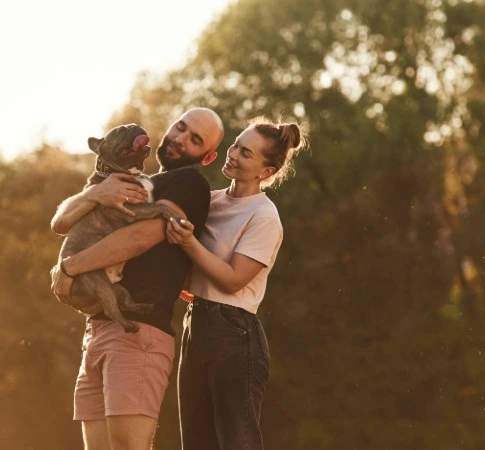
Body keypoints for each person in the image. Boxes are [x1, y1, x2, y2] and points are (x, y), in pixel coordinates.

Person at [49, 107, 224, 450]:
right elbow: (60, 223)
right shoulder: (135, 180)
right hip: (99, 331)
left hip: (137, 333)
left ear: (207, 157)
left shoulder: (188, 184)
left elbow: (140, 237)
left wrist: (70, 267)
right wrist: (94, 194)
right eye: (180, 127)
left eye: (195, 140)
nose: (180, 139)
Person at [163, 117, 306, 450]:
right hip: (195, 323)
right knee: (195, 443)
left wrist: (188, 243)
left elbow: (232, 280)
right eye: (236, 145)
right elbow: (195, 267)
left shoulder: (264, 216)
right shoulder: (210, 201)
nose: (233, 154)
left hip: (235, 333)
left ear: (266, 171)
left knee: (237, 443)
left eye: (246, 153)